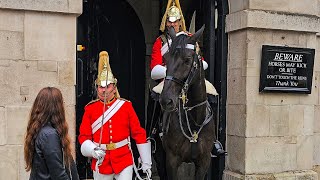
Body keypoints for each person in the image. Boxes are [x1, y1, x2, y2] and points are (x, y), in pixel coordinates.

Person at [78, 51, 152, 180]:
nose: (103, 90)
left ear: (114, 87)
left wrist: (146, 162)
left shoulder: (125, 106)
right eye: (100, 87)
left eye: (107, 86)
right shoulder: (90, 109)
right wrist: (92, 150)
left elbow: (138, 133)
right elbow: (84, 136)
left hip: (123, 159)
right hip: (101, 160)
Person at [24, 87, 79, 180]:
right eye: (62, 102)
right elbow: (58, 174)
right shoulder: (49, 135)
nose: (64, 105)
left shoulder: (42, 129)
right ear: (56, 107)